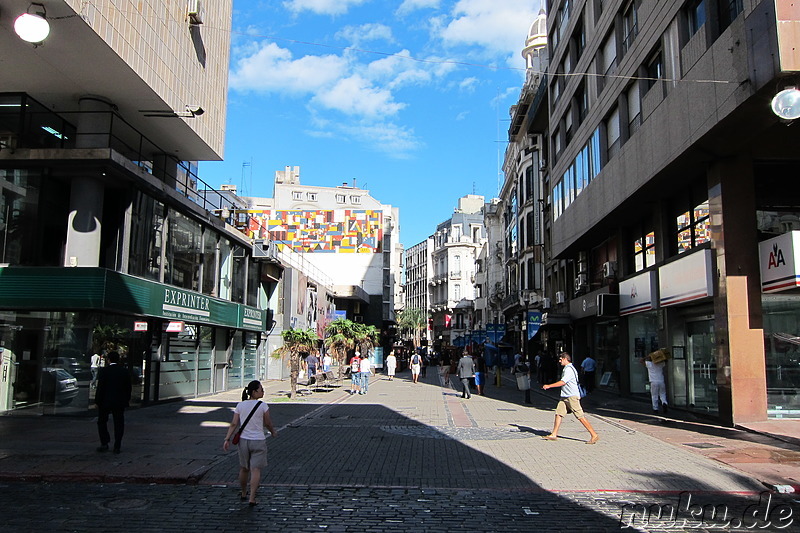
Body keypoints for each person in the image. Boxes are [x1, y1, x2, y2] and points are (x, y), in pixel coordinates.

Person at [223, 380, 277, 506]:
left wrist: (227, 439)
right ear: (254, 392)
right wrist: (273, 432)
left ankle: (243, 492)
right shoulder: (263, 406)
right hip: (258, 440)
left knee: (244, 468)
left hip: (244, 441)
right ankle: (252, 497)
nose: (263, 391)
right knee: (255, 470)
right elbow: (268, 423)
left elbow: (234, 424)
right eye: (261, 389)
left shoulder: (240, 406)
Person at [542, 352, 599, 444]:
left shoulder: (568, 369)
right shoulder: (568, 368)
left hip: (571, 396)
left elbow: (563, 382)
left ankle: (594, 434)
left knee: (580, 416)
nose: (559, 361)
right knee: (558, 414)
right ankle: (554, 434)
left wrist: (549, 386)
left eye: (560, 359)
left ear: (565, 359)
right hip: (565, 396)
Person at [95, 351, 132, 454]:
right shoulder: (124, 371)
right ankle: (117, 445)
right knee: (119, 423)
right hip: (119, 401)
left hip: (105, 401)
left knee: (102, 421)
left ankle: (104, 442)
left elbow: (100, 387)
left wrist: (97, 401)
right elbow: (128, 388)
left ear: (109, 360)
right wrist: (126, 400)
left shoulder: (104, 371)